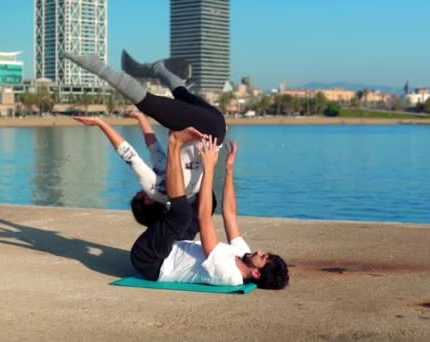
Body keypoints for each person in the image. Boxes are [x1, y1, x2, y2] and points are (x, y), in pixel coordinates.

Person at [66, 51, 224, 226]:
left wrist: (141, 119)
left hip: (218, 126)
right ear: (148, 201)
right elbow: (130, 156)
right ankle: (96, 66)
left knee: (181, 94)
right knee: (149, 102)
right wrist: (101, 123)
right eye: (139, 195)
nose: (140, 191)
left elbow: (153, 146)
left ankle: (159, 69)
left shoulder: (173, 187)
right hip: (203, 128)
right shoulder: (156, 189)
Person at [131, 129, 289, 289]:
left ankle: (174, 143)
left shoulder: (228, 274)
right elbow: (230, 214)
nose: (259, 251)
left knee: (182, 214)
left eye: (263, 257)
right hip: (174, 245)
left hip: (152, 260)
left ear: (256, 273)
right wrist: (229, 170)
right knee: (209, 200)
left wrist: (209, 168)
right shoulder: (243, 254)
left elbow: (204, 218)